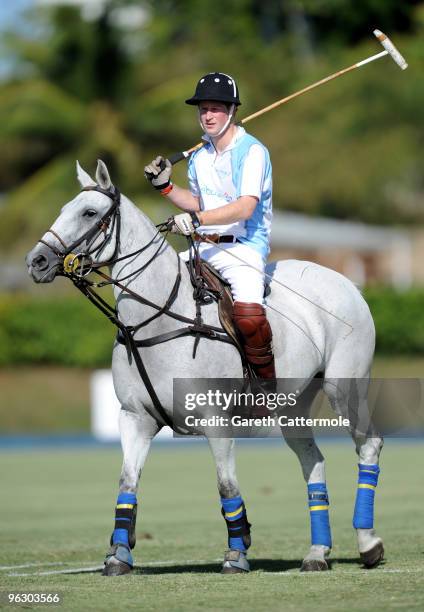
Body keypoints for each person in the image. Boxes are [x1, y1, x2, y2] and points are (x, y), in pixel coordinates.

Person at [144, 72, 275, 380]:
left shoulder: (253, 151)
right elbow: (200, 203)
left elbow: (245, 207)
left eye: (216, 108)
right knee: (153, 289)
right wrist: (166, 188)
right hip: (203, 247)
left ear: (232, 111)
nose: (208, 115)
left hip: (243, 246)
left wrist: (197, 220)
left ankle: (267, 388)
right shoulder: (199, 157)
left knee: (249, 317)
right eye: (203, 109)